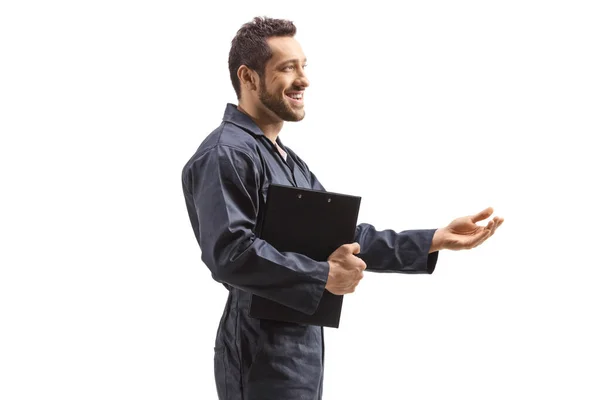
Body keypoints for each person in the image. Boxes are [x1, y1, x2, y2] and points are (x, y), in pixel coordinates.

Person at [181, 16, 504, 400]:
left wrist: (433, 239)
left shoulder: (288, 162)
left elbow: (340, 235)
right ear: (248, 77)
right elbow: (229, 254)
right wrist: (322, 276)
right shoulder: (226, 154)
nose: (303, 79)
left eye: (304, 66)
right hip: (260, 351)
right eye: (287, 68)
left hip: (299, 347)